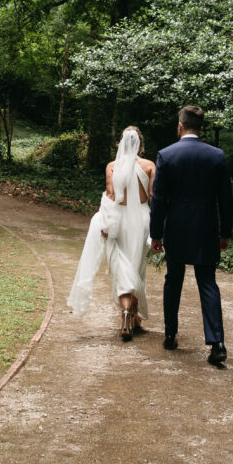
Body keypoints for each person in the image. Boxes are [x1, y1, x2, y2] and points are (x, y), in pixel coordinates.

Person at [149, 105, 233, 366]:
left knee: (173, 281)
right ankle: (217, 342)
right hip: (206, 229)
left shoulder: (167, 155)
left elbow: (159, 199)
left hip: (176, 228)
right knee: (207, 283)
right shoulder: (216, 155)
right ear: (202, 128)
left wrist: (156, 234)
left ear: (180, 126)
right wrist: (225, 232)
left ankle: (171, 334)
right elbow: (225, 199)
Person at [67, 126, 156, 341]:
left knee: (121, 267)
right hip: (142, 220)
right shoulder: (149, 166)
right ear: (140, 144)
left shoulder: (112, 167)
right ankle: (133, 318)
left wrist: (105, 223)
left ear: (121, 143)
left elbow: (110, 196)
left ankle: (127, 314)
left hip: (119, 221)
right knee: (137, 268)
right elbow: (154, 196)